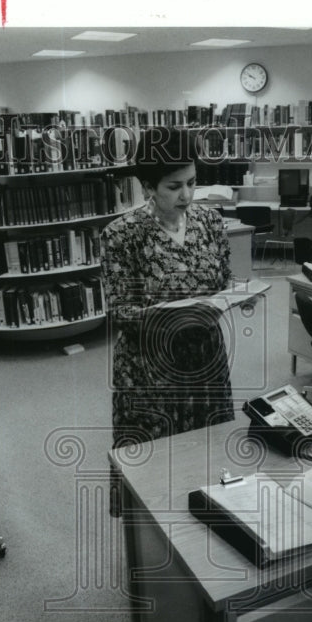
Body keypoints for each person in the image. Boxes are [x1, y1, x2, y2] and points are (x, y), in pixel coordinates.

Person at [101, 127, 234, 450]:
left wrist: (232, 297)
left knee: (208, 455)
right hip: (150, 372)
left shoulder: (211, 222)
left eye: (192, 182)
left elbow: (225, 281)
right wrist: (169, 316)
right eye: (174, 187)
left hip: (205, 363)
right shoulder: (122, 235)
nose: (187, 196)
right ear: (148, 187)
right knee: (154, 465)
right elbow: (120, 311)